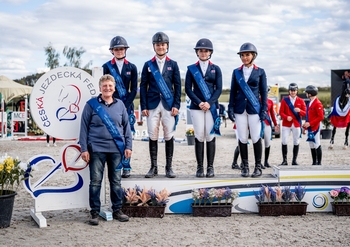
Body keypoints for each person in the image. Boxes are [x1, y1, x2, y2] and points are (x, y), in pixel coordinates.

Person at [79, 74, 132, 225]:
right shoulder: (91, 104)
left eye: (110, 86)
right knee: (95, 182)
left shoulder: (121, 104)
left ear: (114, 88)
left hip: (117, 150)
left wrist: (129, 146)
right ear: (100, 88)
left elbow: (127, 127)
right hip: (96, 148)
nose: (107, 88)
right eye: (105, 86)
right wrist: (84, 149)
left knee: (116, 181)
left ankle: (117, 210)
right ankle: (94, 212)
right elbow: (83, 128)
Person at [140, 31, 181, 178]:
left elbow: (178, 86)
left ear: (167, 46)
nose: (160, 47)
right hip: (152, 104)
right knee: (152, 135)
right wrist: (143, 106)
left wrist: (176, 104)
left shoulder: (173, 65)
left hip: (169, 105)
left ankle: (169, 167)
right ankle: (154, 167)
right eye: (158, 45)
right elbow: (143, 86)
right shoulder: (147, 65)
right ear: (154, 46)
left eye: (163, 44)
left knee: (169, 135)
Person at [227, 42, 268, 178]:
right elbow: (233, 91)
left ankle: (257, 167)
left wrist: (264, 109)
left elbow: (263, 92)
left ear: (253, 56)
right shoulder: (236, 72)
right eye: (243, 55)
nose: (245, 57)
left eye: (247, 55)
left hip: (254, 108)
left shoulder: (260, 72)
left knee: (256, 137)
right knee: (242, 138)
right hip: (240, 109)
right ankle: (245, 166)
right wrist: (230, 107)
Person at [185, 38, 222, 177]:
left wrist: (209, 103)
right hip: (196, 106)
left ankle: (210, 167)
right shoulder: (191, 69)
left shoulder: (216, 69)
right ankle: (200, 167)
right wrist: (199, 102)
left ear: (210, 52)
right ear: (197, 52)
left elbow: (218, 89)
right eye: (200, 50)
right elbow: (188, 89)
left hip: (211, 107)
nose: (203, 53)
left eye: (206, 50)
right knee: (199, 135)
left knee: (210, 135)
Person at [102, 36, 138, 179]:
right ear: (112, 51)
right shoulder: (106, 67)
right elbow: (104, 86)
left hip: (127, 105)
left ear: (125, 50)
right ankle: (114, 165)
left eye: (121, 48)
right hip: (111, 104)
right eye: (116, 49)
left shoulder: (132, 67)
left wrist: (126, 104)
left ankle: (126, 165)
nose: (119, 51)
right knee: (112, 134)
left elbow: (134, 89)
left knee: (127, 136)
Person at [279, 83, 306, 166]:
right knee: (284, 141)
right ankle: (284, 160)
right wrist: (286, 117)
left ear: (297, 91)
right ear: (289, 91)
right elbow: (281, 112)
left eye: (294, 91)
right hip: (286, 123)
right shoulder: (284, 100)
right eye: (291, 91)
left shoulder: (301, 101)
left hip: (296, 123)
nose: (293, 92)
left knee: (296, 141)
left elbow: (305, 113)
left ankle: (294, 160)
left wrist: (299, 111)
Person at [302, 85, 324, 165]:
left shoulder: (317, 103)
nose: (306, 94)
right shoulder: (309, 103)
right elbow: (308, 116)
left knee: (317, 144)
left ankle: (319, 162)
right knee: (311, 144)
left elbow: (321, 117)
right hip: (309, 128)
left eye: (307, 93)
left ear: (310, 94)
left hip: (315, 127)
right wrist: (305, 126)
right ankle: (314, 162)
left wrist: (310, 123)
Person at [262, 87, 279, 168]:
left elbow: (272, 114)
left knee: (267, 142)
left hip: (267, 123)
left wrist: (275, 124)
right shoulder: (257, 100)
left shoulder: (270, 102)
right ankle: (258, 162)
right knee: (258, 142)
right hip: (259, 123)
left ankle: (266, 161)